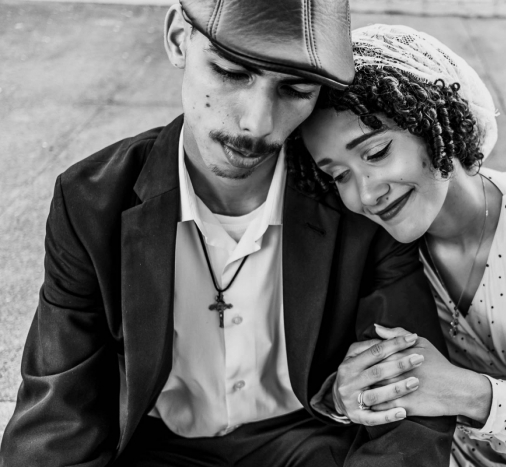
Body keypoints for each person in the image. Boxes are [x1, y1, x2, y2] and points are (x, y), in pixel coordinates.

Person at [0, 7, 456, 466]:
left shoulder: (356, 199)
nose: (257, 123)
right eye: (231, 71)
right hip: (152, 447)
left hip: (308, 443)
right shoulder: (91, 200)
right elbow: (59, 410)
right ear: (179, 39)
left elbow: (411, 402)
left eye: (295, 89)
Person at [295, 24, 506, 467]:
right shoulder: (372, 244)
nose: (365, 195)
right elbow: (344, 379)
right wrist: (342, 393)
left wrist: (464, 391)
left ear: (434, 123)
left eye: (375, 153)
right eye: (339, 174)